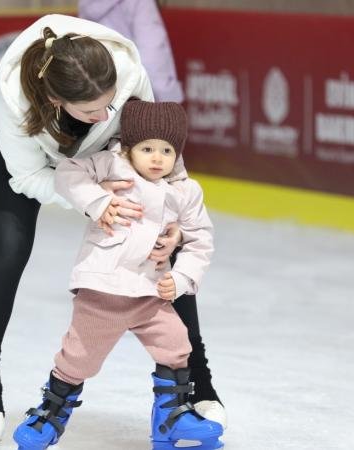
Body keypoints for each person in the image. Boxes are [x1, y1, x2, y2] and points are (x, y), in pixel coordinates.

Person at [0, 13, 224, 447]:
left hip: (105, 159)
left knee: (163, 248)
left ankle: (198, 383)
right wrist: (95, 201)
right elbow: (28, 180)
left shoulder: (127, 75)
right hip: (23, 158)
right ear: (55, 99)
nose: (105, 115)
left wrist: (173, 218)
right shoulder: (14, 101)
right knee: (8, 249)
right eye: (91, 110)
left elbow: (160, 148)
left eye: (111, 104)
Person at [12, 100, 223, 450]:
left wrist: (182, 278)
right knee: (78, 358)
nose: (157, 158)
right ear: (129, 147)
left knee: (176, 347)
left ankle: (171, 417)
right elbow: (67, 173)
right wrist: (97, 200)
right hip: (103, 291)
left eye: (167, 150)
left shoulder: (185, 190)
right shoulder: (112, 165)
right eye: (147, 149)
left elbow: (201, 239)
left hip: (151, 293)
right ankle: (51, 413)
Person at [80, 0, 227, 425]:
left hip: (146, 127)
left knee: (171, 255)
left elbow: (155, 54)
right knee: (117, 258)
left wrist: (162, 130)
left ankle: (197, 382)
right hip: (106, 128)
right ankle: (69, 379)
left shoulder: (133, 3)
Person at [78, 0, 184, 103]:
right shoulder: (140, 3)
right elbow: (153, 54)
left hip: (96, 91)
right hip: (134, 95)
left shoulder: (86, 3)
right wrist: (166, 100)